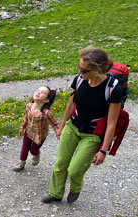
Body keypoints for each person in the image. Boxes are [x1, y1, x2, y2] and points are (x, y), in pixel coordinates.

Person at [42, 47, 121, 204]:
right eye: (79, 68)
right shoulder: (79, 80)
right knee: (61, 163)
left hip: (92, 133)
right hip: (73, 126)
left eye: (84, 70)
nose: (80, 72)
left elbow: (112, 122)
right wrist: (62, 126)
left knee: (75, 169)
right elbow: (71, 105)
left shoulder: (112, 88)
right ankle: (56, 193)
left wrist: (104, 150)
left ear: (97, 69)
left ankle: (75, 188)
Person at [13, 86, 59, 171]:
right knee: (24, 148)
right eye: (38, 91)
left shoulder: (46, 113)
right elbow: (26, 118)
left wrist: (58, 132)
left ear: (46, 100)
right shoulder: (29, 106)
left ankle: (36, 154)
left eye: (42, 93)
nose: (38, 93)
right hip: (29, 132)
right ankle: (21, 163)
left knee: (33, 150)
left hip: (40, 136)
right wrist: (22, 127)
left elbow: (55, 124)